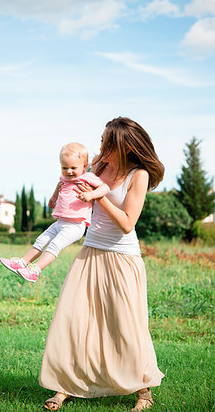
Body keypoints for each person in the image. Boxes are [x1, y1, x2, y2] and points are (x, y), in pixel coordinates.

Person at [39, 117, 165, 411]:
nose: (101, 145)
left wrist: (102, 194)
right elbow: (74, 193)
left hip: (122, 258)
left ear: (121, 144)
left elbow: (126, 223)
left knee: (127, 325)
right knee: (72, 320)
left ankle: (143, 392)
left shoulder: (139, 174)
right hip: (89, 251)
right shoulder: (99, 165)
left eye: (106, 140)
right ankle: (64, 387)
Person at [0, 142, 110, 283]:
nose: (68, 171)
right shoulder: (64, 178)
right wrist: (54, 197)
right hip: (60, 222)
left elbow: (105, 187)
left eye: (73, 168)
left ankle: (35, 270)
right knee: (41, 240)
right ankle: (22, 262)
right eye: (64, 167)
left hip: (76, 226)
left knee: (54, 245)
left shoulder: (87, 177)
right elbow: (60, 185)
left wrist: (92, 195)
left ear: (84, 166)